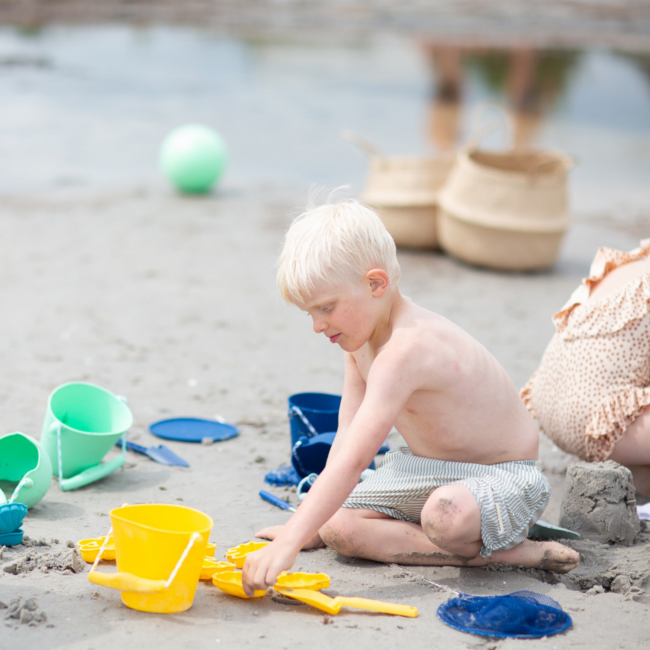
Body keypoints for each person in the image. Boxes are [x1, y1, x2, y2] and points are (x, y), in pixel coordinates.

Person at [241, 199, 579, 596]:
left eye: (326, 308)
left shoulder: (407, 348)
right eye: (309, 313)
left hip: (501, 477)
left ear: (376, 284)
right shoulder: (359, 343)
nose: (317, 326)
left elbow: (353, 462)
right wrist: (306, 525)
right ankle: (482, 551)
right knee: (338, 528)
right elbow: (348, 435)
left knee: (444, 515)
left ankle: (518, 553)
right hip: (423, 471)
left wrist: (288, 543)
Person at [521, 240, 650, 495]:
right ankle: (626, 463)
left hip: (547, 403)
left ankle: (630, 473)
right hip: (596, 416)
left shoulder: (631, 262)